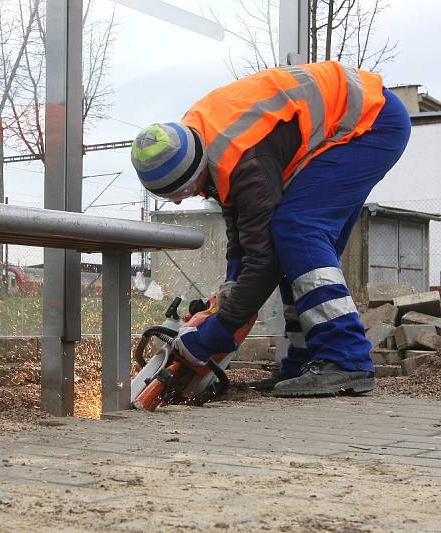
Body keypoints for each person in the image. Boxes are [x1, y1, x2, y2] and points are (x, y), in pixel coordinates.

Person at [130, 61, 411, 397]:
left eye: (185, 193)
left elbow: (263, 263)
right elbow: (246, 234)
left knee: (296, 228)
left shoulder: (244, 160)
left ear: (196, 174)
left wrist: (215, 333)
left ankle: (346, 359)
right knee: (293, 247)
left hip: (370, 121)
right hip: (353, 118)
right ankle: (309, 360)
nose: (178, 204)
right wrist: (229, 289)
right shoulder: (197, 141)